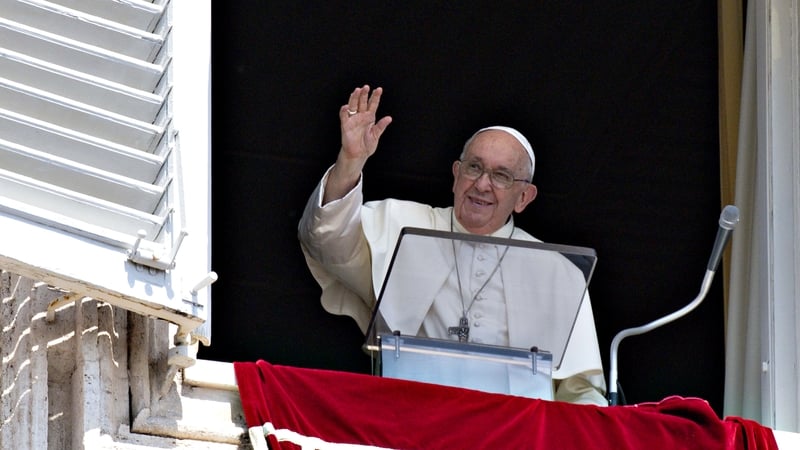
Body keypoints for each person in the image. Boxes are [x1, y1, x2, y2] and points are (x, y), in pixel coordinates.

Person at [298, 85, 607, 405]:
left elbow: (582, 392)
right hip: (413, 417)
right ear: (456, 174)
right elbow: (326, 239)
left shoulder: (556, 272)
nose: (482, 184)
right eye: (474, 167)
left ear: (524, 198)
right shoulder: (402, 224)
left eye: (501, 176)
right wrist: (350, 161)